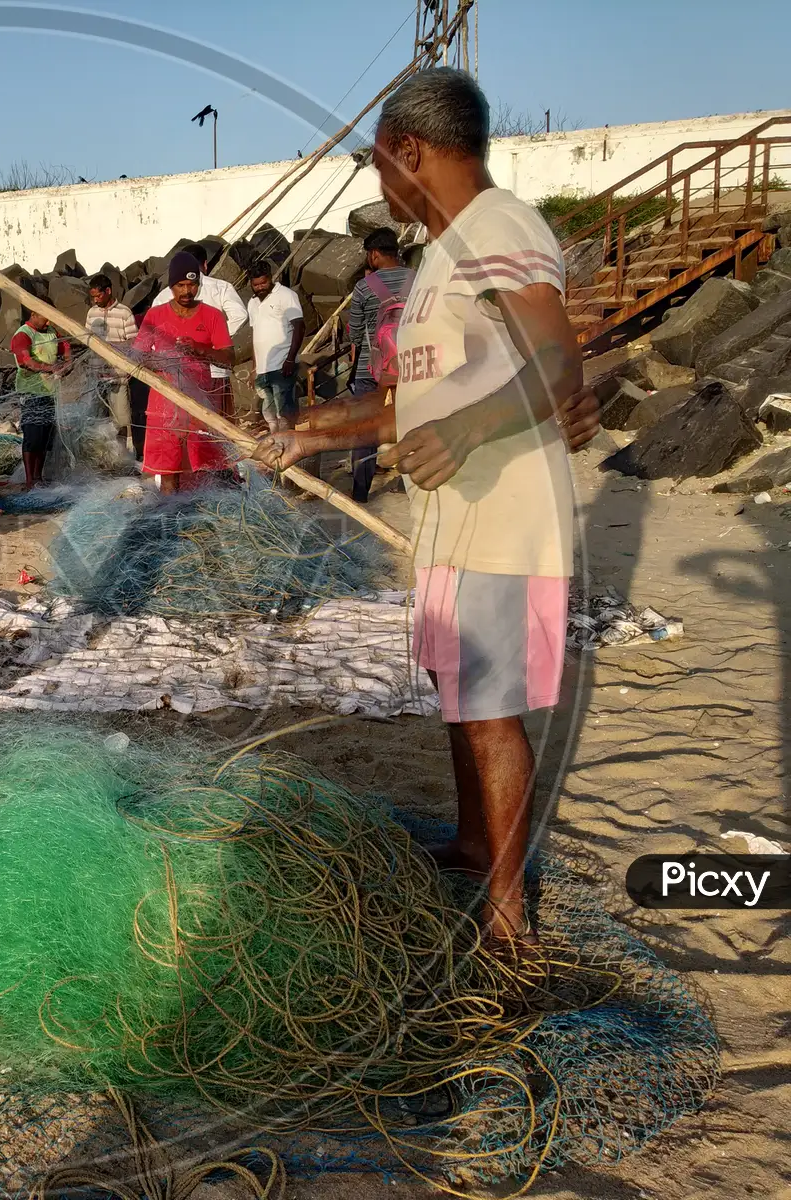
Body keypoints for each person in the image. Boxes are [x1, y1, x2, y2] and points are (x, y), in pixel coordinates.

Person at [252, 69, 600, 948]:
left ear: (411, 151)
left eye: (379, 164)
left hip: (505, 518)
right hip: (449, 523)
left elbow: (558, 366)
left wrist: (472, 430)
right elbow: (411, 403)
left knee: (490, 710)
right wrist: (308, 434)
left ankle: (509, 914)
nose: (378, 183)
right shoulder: (439, 257)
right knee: (455, 685)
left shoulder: (502, 229)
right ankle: (475, 840)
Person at [132, 250, 231, 494]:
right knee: (169, 472)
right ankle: (170, 525)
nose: (187, 292)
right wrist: (159, 362)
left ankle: (202, 524)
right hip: (163, 409)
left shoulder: (213, 316)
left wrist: (199, 349)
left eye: (192, 285)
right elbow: (138, 356)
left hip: (200, 407)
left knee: (204, 469)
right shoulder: (154, 316)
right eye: (180, 285)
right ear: (171, 286)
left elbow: (229, 359)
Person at [344, 228, 415, 501]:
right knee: (410, 423)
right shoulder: (417, 279)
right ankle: (411, 486)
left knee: (366, 429)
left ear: (374, 254)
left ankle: (360, 491)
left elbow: (355, 333)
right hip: (411, 365)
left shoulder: (365, 287)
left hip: (370, 368)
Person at [152, 243, 246, 415]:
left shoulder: (163, 296)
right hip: (214, 370)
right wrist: (217, 339)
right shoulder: (221, 287)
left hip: (177, 373)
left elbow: (154, 338)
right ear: (205, 264)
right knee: (219, 426)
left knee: (181, 424)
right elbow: (240, 316)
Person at [9, 305, 72, 488]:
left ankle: (39, 476)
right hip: (31, 392)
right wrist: (51, 368)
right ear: (34, 314)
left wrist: (67, 363)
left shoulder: (51, 331)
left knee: (45, 436)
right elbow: (26, 362)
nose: (49, 322)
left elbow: (65, 346)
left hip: (49, 392)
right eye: (45, 318)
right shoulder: (23, 334)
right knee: (33, 435)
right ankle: (30, 479)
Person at [246, 260, 305, 432]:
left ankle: (290, 449)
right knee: (270, 415)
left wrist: (290, 359)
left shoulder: (286, 296)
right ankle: (276, 447)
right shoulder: (252, 303)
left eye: (263, 282)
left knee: (285, 413)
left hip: (282, 365)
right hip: (263, 369)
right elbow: (256, 336)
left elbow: (299, 327)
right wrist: (254, 368)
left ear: (271, 278)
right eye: (255, 284)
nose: (260, 287)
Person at [85, 274, 139, 442]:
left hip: (118, 375)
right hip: (95, 375)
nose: (95, 300)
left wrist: (111, 346)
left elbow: (133, 342)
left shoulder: (124, 312)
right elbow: (87, 339)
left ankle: (121, 455)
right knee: (96, 419)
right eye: (92, 297)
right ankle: (102, 456)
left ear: (108, 291)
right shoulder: (91, 312)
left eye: (98, 296)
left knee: (121, 420)